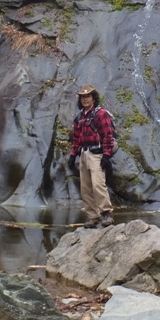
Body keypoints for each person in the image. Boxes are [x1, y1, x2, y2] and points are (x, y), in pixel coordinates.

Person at [68, 84, 115, 228]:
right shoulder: (79, 117)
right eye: (83, 97)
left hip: (97, 154)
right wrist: (73, 155)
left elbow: (108, 135)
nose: (85, 99)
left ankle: (106, 213)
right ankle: (92, 216)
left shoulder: (101, 114)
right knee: (86, 187)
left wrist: (106, 155)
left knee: (98, 184)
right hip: (83, 153)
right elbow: (76, 138)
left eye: (88, 96)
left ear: (93, 98)